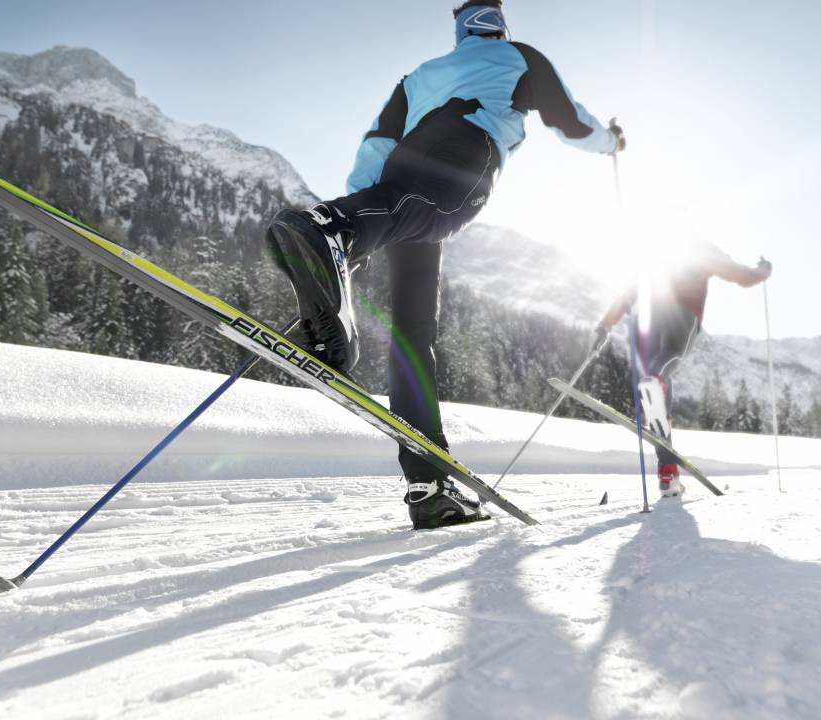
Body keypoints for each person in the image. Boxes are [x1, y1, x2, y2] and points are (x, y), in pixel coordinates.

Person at [265, 0, 624, 529]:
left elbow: (375, 144)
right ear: (499, 23)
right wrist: (610, 141)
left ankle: (428, 485)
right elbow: (569, 122)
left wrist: (363, 224)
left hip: (396, 178)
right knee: (428, 229)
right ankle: (327, 229)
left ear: (459, 26)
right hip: (465, 152)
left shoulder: (419, 77)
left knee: (413, 335)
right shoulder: (518, 57)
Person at [593, 243, 772, 498]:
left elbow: (627, 294)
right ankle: (655, 380)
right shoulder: (700, 249)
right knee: (666, 365)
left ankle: (668, 474)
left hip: (647, 317)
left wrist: (604, 326)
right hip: (684, 312)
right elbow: (740, 275)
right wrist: (763, 271)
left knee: (657, 392)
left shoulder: (652, 250)